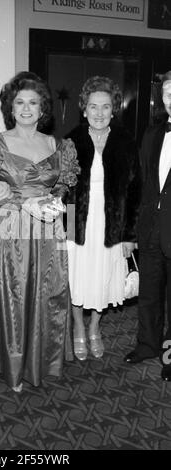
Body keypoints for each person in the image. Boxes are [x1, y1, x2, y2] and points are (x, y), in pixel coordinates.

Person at [0, 71, 80, 392]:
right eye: (20, 102)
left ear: (43, 108)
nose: (27, 108)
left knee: (49, 295)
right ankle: (14, 368)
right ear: (11, 106)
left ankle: (44, 362)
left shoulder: (59, 145)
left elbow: (63, 187)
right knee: (15, 296)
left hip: (49, 232)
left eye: (33, 102)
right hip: (11, 231)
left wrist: (54, 201)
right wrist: (13, 197)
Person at [66, 76, 141, 361]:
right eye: (93, 107)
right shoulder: (71, 140)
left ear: (113, 110)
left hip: (113, 225)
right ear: (84, 109)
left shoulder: (125, 141)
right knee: (78, 276)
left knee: (103, 279)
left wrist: (129, 235)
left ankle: (95, 327)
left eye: (105, 107)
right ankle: (77, 327)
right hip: (79, 225)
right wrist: (65, 227)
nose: (99, 113)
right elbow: (61, 188)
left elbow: (136, 191)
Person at [124, 70, 171, 381]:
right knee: (149, 293)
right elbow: (141, 185)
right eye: (168, 93)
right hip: (151, 229)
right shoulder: (153, 134)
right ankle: (147, 345)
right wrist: (134, 229)